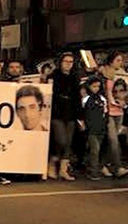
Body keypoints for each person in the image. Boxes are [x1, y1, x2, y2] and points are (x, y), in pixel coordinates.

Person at [80, 77, 128, 180]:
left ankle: (99, 167)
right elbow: (82, 111)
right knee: (95, 149)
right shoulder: (86, 98)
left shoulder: (101, 98)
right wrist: (83, 123)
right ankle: (93, 171)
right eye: (94, 86)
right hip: (91, 128)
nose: (96, 88)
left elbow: (105, 111)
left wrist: (105, 122)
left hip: (100, 128)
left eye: (98, 86)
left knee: (100, 148)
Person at [48, 52, 80, 181]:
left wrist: (79, 114)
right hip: (57, 112)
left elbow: (77, 96)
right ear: (60, 62)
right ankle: (51, 163)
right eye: (66, 61)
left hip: (71, 112)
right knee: (61, 140)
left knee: (68, 142)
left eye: (71, 62)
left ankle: (63, 169)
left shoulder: (74, 77)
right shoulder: (54, 76)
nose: (68, 64)